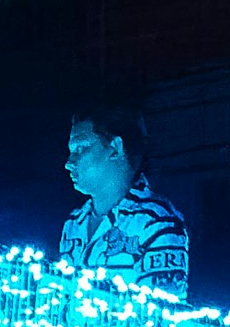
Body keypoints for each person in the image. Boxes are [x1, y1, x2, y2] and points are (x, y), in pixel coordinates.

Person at [61, 111, 189, 296]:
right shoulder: (73, 224)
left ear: (115, 148)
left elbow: (161, 315)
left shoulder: (156, 223)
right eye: (71, 151)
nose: (69, 162)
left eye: (81, 148)